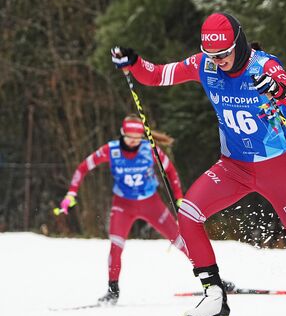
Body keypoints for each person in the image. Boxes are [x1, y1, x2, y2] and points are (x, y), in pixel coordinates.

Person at [111, 12, 286, 316]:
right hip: (234, 167)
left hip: (279, 171)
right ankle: (214, 295)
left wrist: (277, 90)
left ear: (239, 44)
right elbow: (156, 76)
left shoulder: (264, 66)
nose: (217, 62)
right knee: (188, 213)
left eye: (223, 54)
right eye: (212, 55)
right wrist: (134, 62)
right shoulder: (203, 64)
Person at [57, 115, 188, 305]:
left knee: (180, 240)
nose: (134, 141)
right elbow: (82, 168)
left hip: (151, 203)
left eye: (137, 137)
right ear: (122, 134)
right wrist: (71, 194)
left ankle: (210, 280)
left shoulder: (150, 149)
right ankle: (112, 291)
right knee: (116, 246)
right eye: (129, 137)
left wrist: (179, 198)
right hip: (123, 205)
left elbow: (171, 171)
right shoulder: (111, 150)